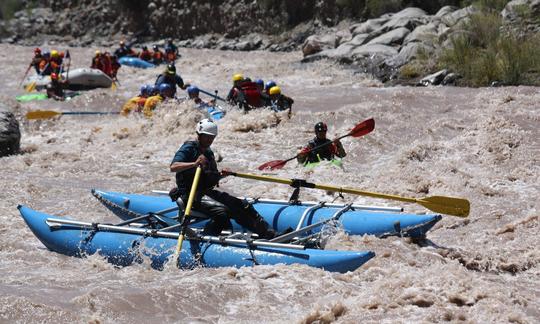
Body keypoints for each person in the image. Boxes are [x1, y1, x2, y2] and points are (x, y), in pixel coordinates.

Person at [169, 119, 276, 238]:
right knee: (222, 212)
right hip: (190, 196)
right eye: (206, 137)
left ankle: (267, 233)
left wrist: (221, 175)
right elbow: (173, 167)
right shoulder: (189, 148)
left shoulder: (209, 153)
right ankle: (206, 238)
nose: (209, 140)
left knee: (243, 205)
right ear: (199, 135)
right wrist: (194, 164)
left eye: (212, 137)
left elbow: (211, 178)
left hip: (207, 193)